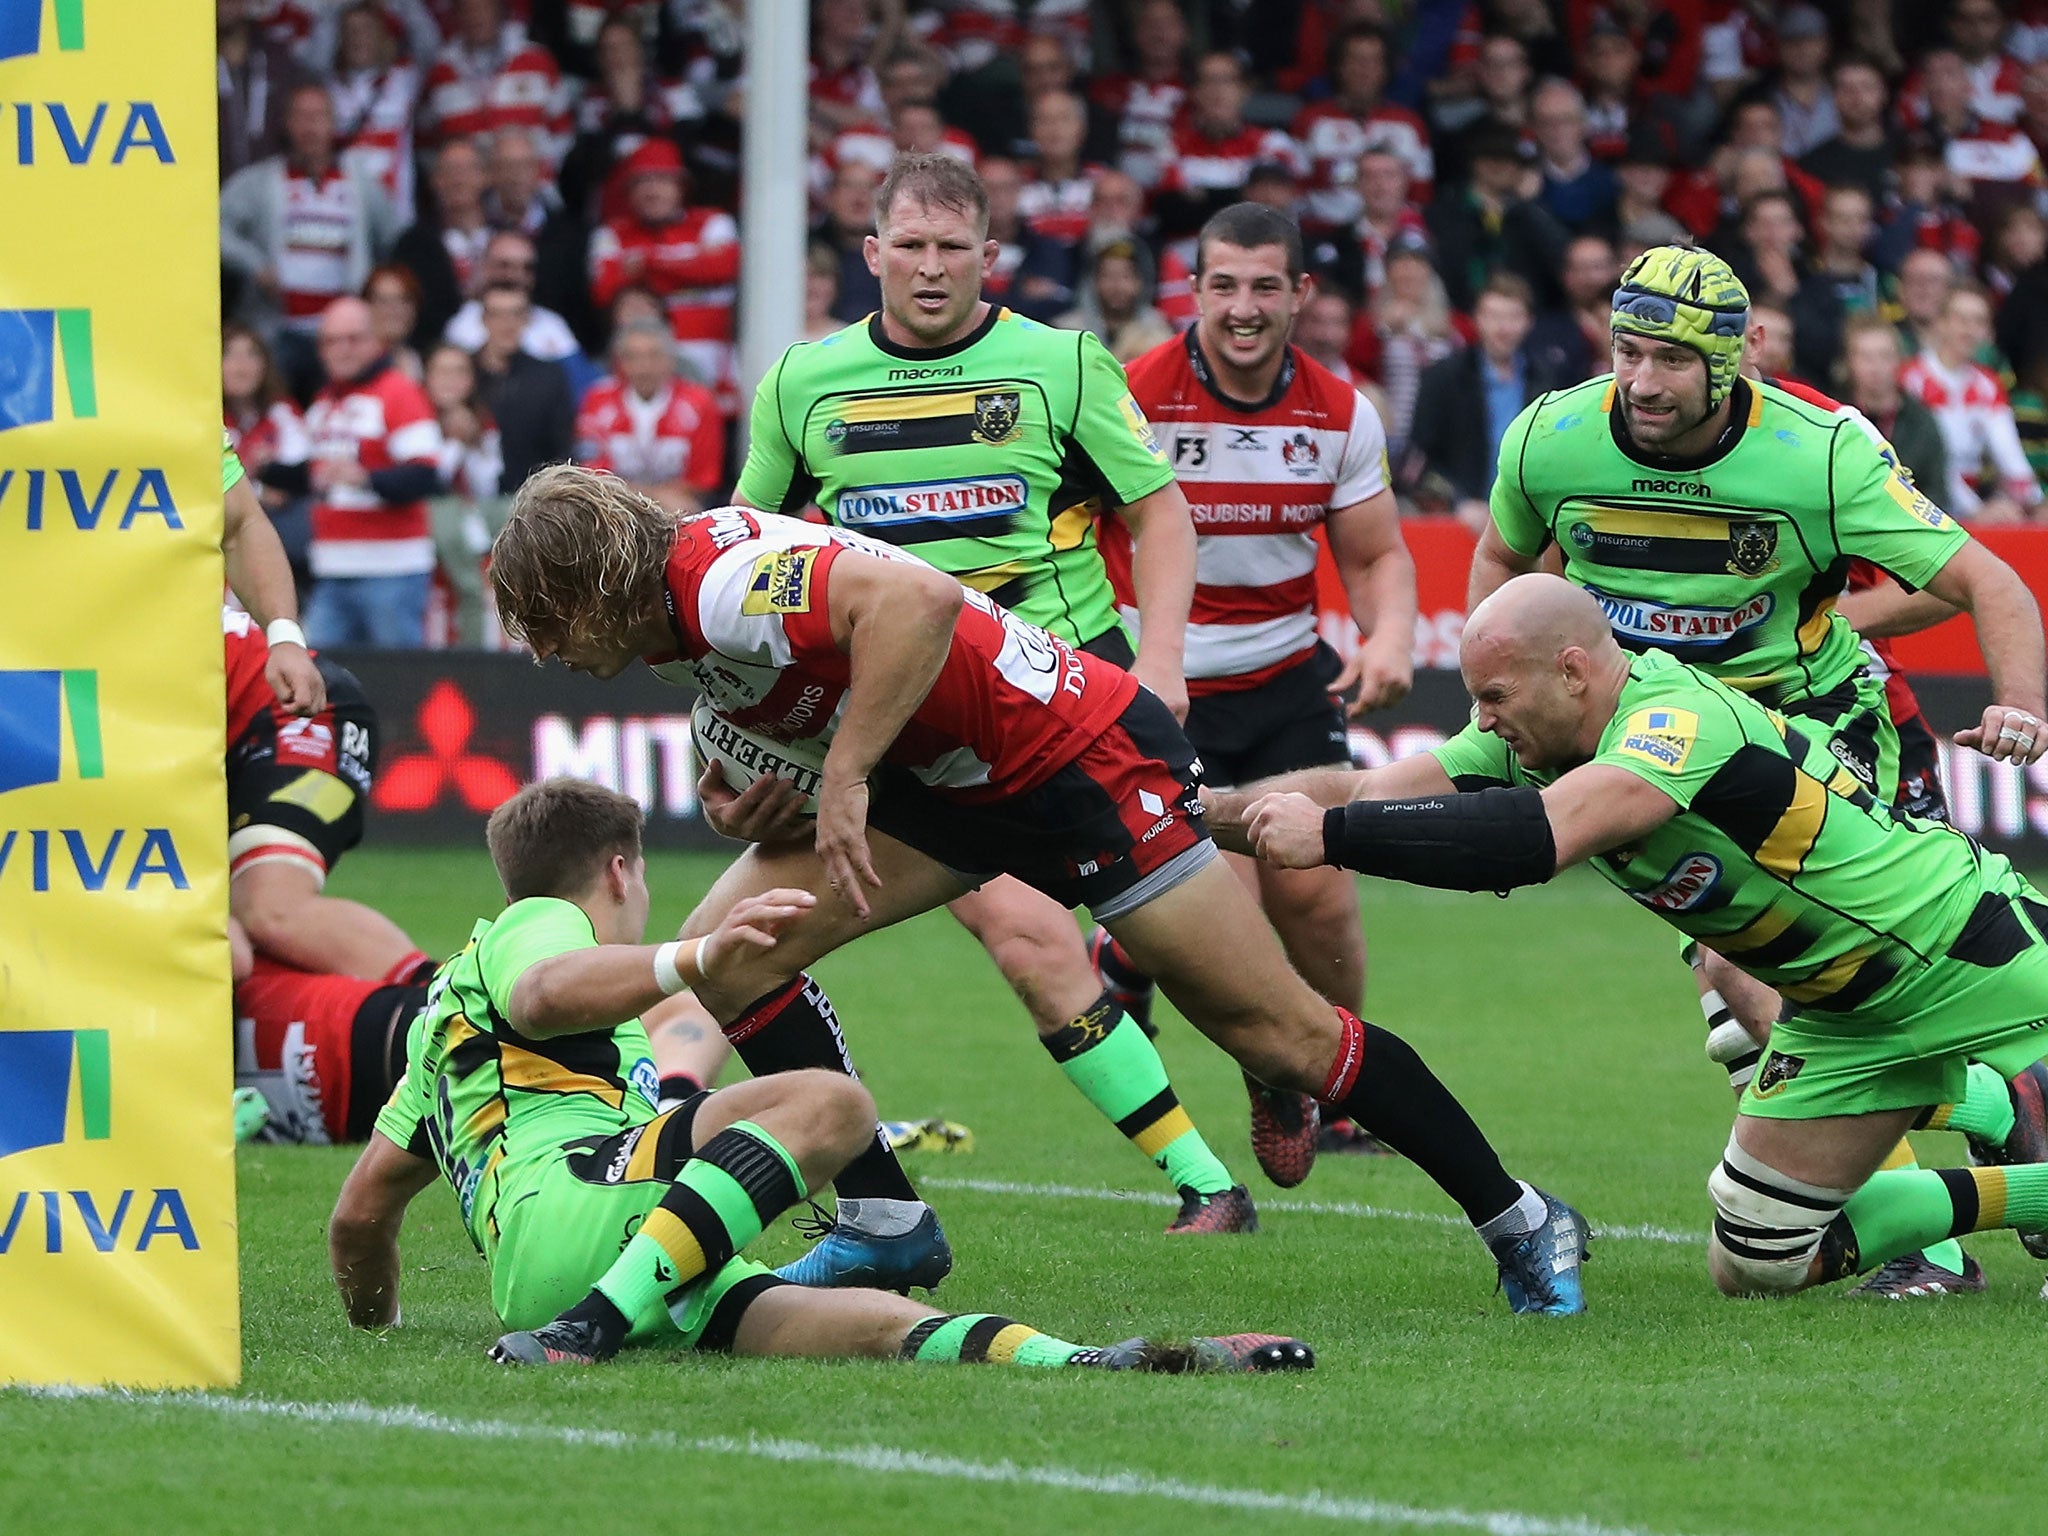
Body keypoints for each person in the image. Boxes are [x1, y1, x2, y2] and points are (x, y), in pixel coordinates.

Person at [487, 471, 1587, 1316]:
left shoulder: (717, 581)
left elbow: (914, 602)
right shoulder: (666, 611)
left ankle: (1523, 1219)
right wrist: (750, 786)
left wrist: (846, 775)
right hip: (950, 786)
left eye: (547, 624)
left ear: (594, 586)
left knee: (1285, 1036)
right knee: (734, 946)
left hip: (1080, 766)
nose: (547, 655)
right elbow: (774, 696)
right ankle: (882, 1220)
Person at [716, 153, 1269, 1248]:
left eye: (951, 249)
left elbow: (1158, 517)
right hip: (912, 728)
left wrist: (1161, 659)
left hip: (1062, 702)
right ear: (871, 254)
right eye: (909, 247)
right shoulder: (800, 383)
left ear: (989, 258)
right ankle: (1206, 1184)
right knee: (1010, 941)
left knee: (1170, 954)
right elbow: (748, 560)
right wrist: (748, 746)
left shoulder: (1060, 364)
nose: (929, 269)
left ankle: (1274, 1075)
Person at [1466, 245, 2048, 1281]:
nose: (1640, 382)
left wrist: (2017, 705)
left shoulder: (1817, 453)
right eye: (1626, 352)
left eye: (1669, 362)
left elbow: (1984, 580)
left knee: (1768, 978)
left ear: (1730, 365)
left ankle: (1934, 1249)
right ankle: (2004, 1120)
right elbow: (1503, 564)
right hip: (1671, 756)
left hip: (1821, 739)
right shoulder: (1551, 438)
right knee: (1750, 1032)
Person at [1225, 573, 2048, 1302]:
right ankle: (2035, 1189)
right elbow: (1368, 789)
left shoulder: (1675, 718)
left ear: (1572, 672)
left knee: (1736, 1022)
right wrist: (1183, 818)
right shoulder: (1534, 739)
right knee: (1761, 1260)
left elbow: (1534, 840)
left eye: (1496, 698)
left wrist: (1331, 838)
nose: (1482, 720)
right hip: (1840, 1016)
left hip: (1963, 946)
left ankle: (2006, 1103)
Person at [328, 776, 1314, 1373]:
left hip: (588, 1256)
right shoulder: (535, 926)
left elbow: (359, 1219)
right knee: (832, 1102)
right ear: (623, 871)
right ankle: (588, 1330)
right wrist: (697, 958)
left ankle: (1088, 1361)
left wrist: (379, 1330)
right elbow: (548, 988)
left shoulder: (437, 1045)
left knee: (882, 1329)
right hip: (583, 1220)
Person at [1093, 204, 1417, 1165]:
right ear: (1192, 291)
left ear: (1301, 295)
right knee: (1217, 910)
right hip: (1157, 688)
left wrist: (1391, 634)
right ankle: (1254, 1048)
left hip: (1286, 679)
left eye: (1265, 286)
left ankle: (1331, 1082)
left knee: (1319, 896)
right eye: (1223, 285)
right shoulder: (1126, 395)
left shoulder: (1340, 409)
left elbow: (1375, 555)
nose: (1243, 308)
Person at [219, 81, 400, 396]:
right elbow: (214, 227)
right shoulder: (261, 181)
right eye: (301, 117)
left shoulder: (358, 181)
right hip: (277, 332)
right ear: (287, 124)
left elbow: (395, 237)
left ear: (333, 123)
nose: (310, 127)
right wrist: (255, 265)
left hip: (339, 336)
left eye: (318, 117)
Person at [299, 295, 445, 648]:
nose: (342, 350)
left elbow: (426, 476)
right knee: (315, 681)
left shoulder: (398, 392)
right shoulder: (323, 402)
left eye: (354, 339)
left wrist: (365, 478)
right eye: (332, 340)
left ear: (375, 340)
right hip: (332, 569)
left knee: (398, 684)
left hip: (391, 571)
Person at [1410, 272, 1557, 529]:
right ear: (1477, 319)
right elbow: (1421, 457)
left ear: (1529, 322)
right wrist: (1458, 501)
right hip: (1459, 520)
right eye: (1494, 316)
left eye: (1513, 317)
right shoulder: (1443, 377)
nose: (1503, 328)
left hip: (1530, 520)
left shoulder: (1547, 381)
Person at [1900, 285, 2045, 521]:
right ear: (1941, 323)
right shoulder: (1911, 379)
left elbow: (2010, 456)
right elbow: (1935, 463)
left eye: (1979, 321)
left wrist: (2036, 505)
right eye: (1961, 319)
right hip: (1921, 502)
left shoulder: (1988, 384)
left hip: (1969, 502)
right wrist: (1976, 511)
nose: (1969, 330)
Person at [575, 319, 726, 512]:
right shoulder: (597, 400)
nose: (643, 367)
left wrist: (650, 500)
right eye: (632, 357)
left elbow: (703, 478)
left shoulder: (699, 403)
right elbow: (591, 469)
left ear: (671, 359)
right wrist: (641, 497)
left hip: (677, 504)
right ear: (618, 361)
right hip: (613, 503)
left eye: (654, 356)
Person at [472, 281, 576, 493]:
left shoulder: (549, 376)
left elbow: (562, 450)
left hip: (532, 500)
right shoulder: (463, 371)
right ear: (484, 320)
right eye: (497, 314)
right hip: (469, 500)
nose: (507, 324)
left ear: (526, 320)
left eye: (515, 314)